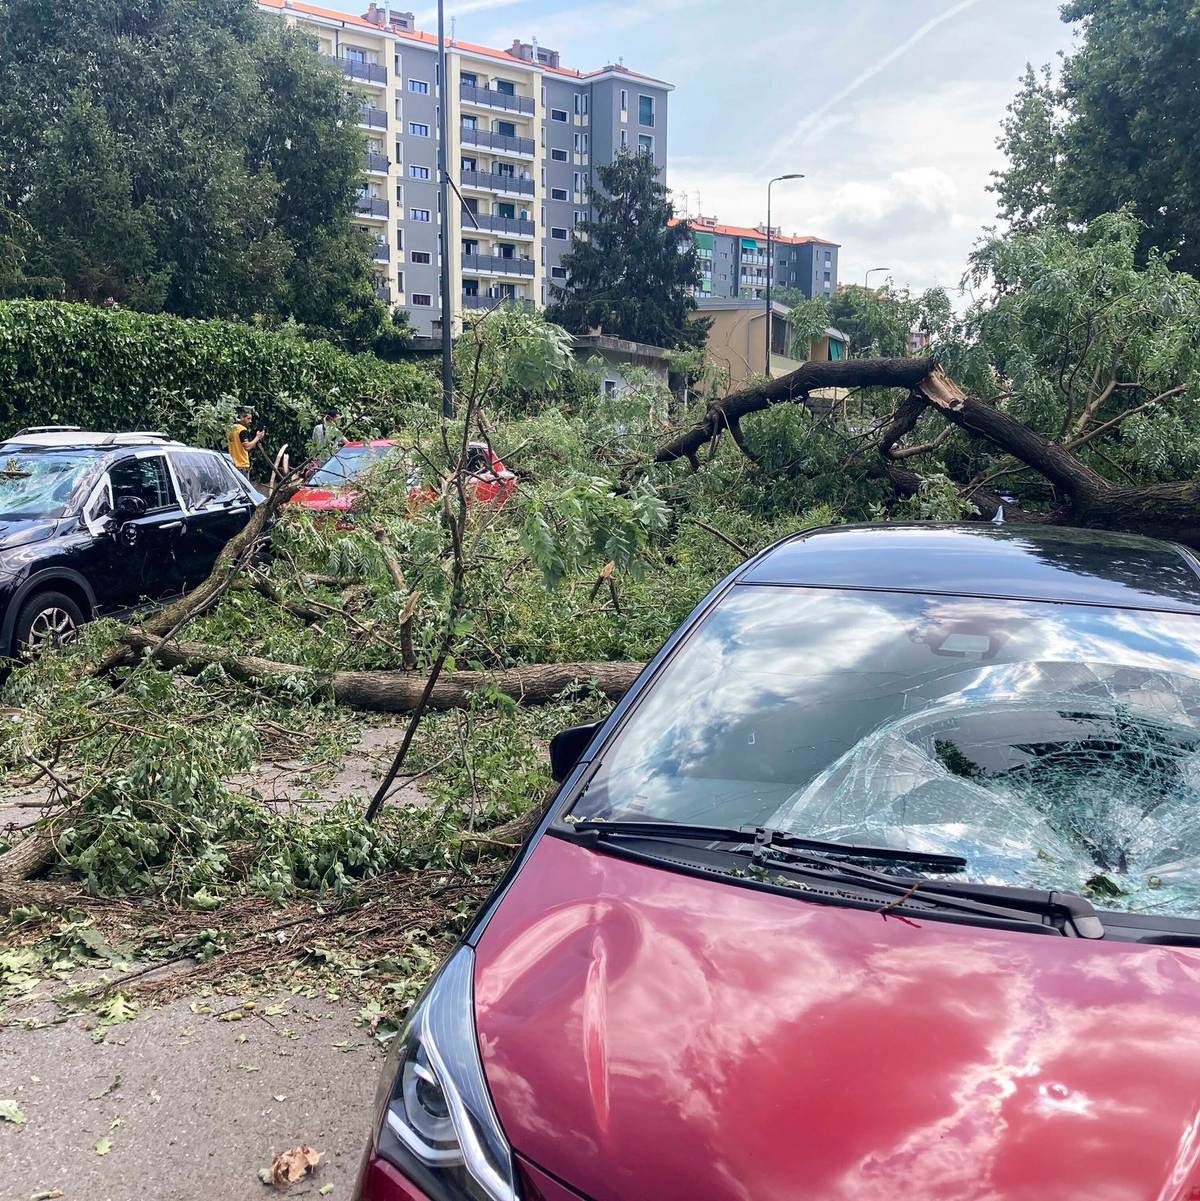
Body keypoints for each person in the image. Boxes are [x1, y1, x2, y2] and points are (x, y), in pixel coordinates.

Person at [226, 409, 263, 473]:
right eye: (248, 419)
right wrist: (257, 437)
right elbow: (247, 447)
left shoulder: (230, 428)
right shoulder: (242, 430)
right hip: (242, 464)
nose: (250, 421)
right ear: (241, 418)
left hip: (232, 463)